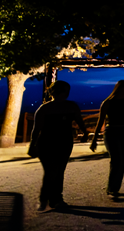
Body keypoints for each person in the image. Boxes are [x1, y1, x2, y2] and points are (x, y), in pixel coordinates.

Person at [30, 80, 87, 211]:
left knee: (59, 170)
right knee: (52, 171)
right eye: (65, 91)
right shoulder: (45, 108)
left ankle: (55, 199)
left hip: (64, 142)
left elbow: (79, 121)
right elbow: (36, 129)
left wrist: (85, 133)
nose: (66, 93)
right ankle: (47, 198)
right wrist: (33, 145)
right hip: (47, 143)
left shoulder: (70, 106)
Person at [91, 80, 124, 199]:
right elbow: (100, 121)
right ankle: (112, 188)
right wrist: (94, 139)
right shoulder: (107, 103)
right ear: (118, 89)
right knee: (116, 160)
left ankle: (115, 187)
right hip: (112, 132)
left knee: (122, 160)